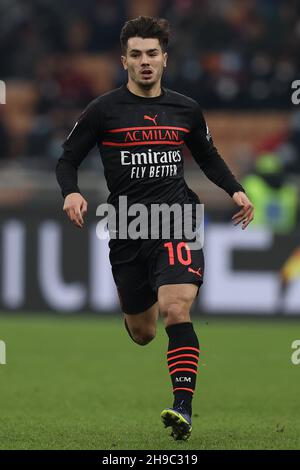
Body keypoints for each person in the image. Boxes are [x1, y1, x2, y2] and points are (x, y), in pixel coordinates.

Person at [56, 16, 254, 441]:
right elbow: (67, 159)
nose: (145, 62)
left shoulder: (186, 109)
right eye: (136, 55)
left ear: (164, 58)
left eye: (152, 54)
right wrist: (70, 193)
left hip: (178, 220)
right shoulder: (102, 111)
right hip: (128, 227)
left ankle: (182, 407)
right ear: (123, 60)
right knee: (144, 333)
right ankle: (135, 310)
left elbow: (208, 156)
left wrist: (235, 190)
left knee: (177, 308)